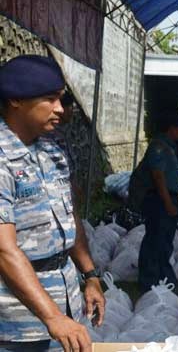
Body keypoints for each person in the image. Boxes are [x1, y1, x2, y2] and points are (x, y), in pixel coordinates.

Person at [0, 55, 105, 351]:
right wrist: (53, 316)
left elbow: (68, 217)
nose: (61, 109)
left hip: (64, 305)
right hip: (15, 322)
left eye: (61, 98)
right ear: (16, 100)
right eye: (50, 99)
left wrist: (90, 275)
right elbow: (4, 249)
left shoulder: (53, 149)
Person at [137, 111, 178, 292]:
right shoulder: (158, 147)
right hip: (159, 200)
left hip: (165, 198)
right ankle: (150, 279)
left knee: (164, 240)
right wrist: (168, 203)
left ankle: (162, 277)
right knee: (156, 239)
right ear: (171, 128)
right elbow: (158, 177)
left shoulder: (168, 146)